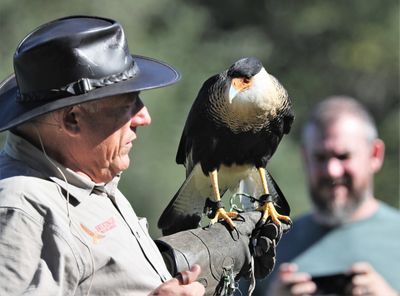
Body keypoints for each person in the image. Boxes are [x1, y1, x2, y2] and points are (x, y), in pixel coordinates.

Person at [0, 16, 287, 296]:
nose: (144, 116)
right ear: (73, 119)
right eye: (128, 104)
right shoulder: (20, 212)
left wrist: (180, 264)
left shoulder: (87, 178)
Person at [249, 96, 400, 296]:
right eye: (320, 158)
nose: (332, 170)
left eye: (343, 156)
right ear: (305, 158)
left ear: (375, 154)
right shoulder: (268, 246)